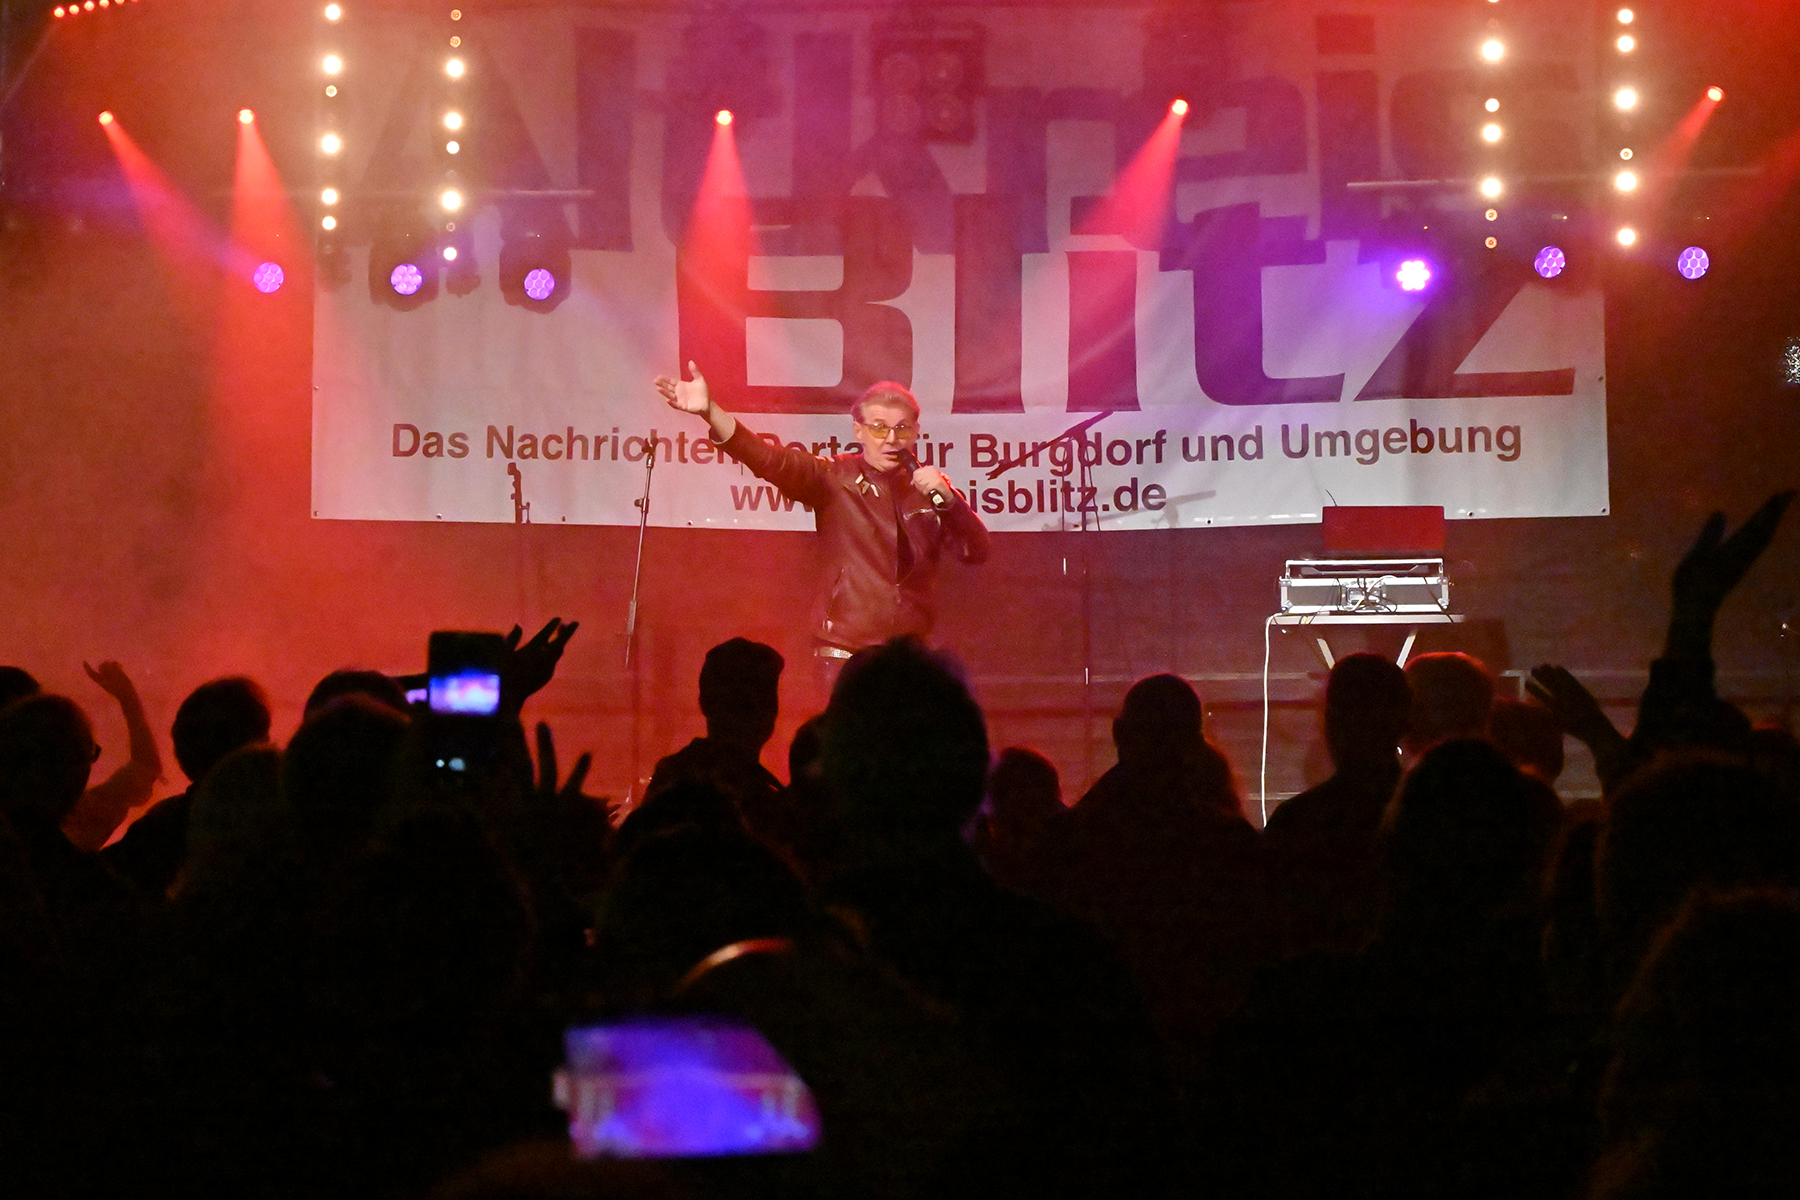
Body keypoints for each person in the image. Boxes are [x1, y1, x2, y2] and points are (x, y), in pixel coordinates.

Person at [655, 364, 990, 679]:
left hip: (911, 657)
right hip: (845, 653)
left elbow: (976, 551)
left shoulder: (931, 489)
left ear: (915, 432)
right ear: (858, 430)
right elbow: (768, 460)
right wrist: (709, 411)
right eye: (879, 427)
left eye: (901, 428)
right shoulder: (834, 477)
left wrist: (950, 502)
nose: (891, 438)